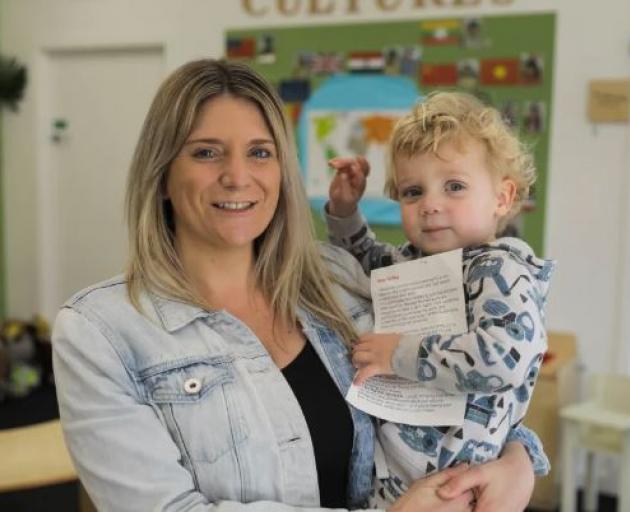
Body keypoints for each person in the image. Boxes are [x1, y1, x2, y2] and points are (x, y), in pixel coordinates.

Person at [52, 60, 547, 512]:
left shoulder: (340, 278)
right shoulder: (100, 333)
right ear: (161, 174)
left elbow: (458, 391)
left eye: (260, 152)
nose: (237, 176)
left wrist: (519, 460)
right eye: (206, 152)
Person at [326, 91, 555, 508]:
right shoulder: (413, 260)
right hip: (392, 487)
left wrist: (398, 353)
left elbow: (504, 358)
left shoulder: (501, 270)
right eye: (413, 192)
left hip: (461, 488)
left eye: (454, 187)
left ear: (502, 197)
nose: (430, 205)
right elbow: (365, 257)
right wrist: (344, 211)